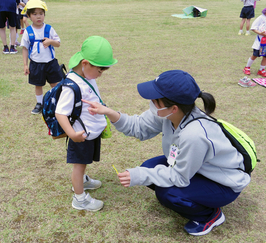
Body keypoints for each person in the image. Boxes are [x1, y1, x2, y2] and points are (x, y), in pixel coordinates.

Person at [83, 70, 251, 234]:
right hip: (198, 168)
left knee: (167, 193)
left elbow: (179, 177)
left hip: (222, 184)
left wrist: (140, 175)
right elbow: (138, 127)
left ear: (174, 108)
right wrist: (109, 113)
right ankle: (197, 198)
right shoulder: (168, 114)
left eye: (156, 99)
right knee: (148, 167)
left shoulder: (194, 135)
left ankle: (209, 216)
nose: (151, 101)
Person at [55, 36, 117, 211]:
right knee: (79, 165)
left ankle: (81, 181)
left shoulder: (86, 76)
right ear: (85, 63)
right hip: (80, 135)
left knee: (84, 163)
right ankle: (79, 199)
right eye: (100, 70)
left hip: (89, 132)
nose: (100, 74)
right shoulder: (72, 85)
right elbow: (60, 112)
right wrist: (72, 134)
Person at [20, 0, 63, 114]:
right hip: (36, 63)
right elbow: (24, 48)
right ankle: (39, 103)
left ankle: (56, 102)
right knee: (38, 85)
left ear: (44, 14)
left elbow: (58, 43)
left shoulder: (49, 29)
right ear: (28, 16)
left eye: (41, 13)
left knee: (54, 84)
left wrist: (50, 41)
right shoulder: (28, 31)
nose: (38, 16)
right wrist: (25, 65)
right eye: (34, 14)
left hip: (50, 62)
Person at [243, 8, 266, 77]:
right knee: (255, 55)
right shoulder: (261, 18)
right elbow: (253, 28)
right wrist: (261, 33)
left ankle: (261, 70)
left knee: (265, 57)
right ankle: (247, 67)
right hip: (260, 41)